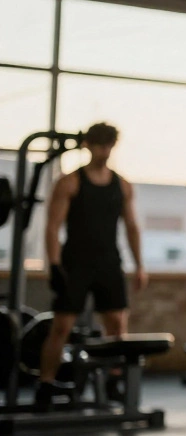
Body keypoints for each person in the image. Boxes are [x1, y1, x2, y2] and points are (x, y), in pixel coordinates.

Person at [40, 122, 147, 410]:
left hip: (109, 262)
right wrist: (53, 265)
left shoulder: (121, 184)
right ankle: (46, 384)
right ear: (88, 145)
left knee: (117, 327)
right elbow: (52, 228)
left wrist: (140, 266)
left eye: (109, 144)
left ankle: (113, 381)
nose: (105, 149)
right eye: (100, 143)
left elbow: (132, 227)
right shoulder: (70, 182)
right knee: (61, 326)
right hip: (75, 262)